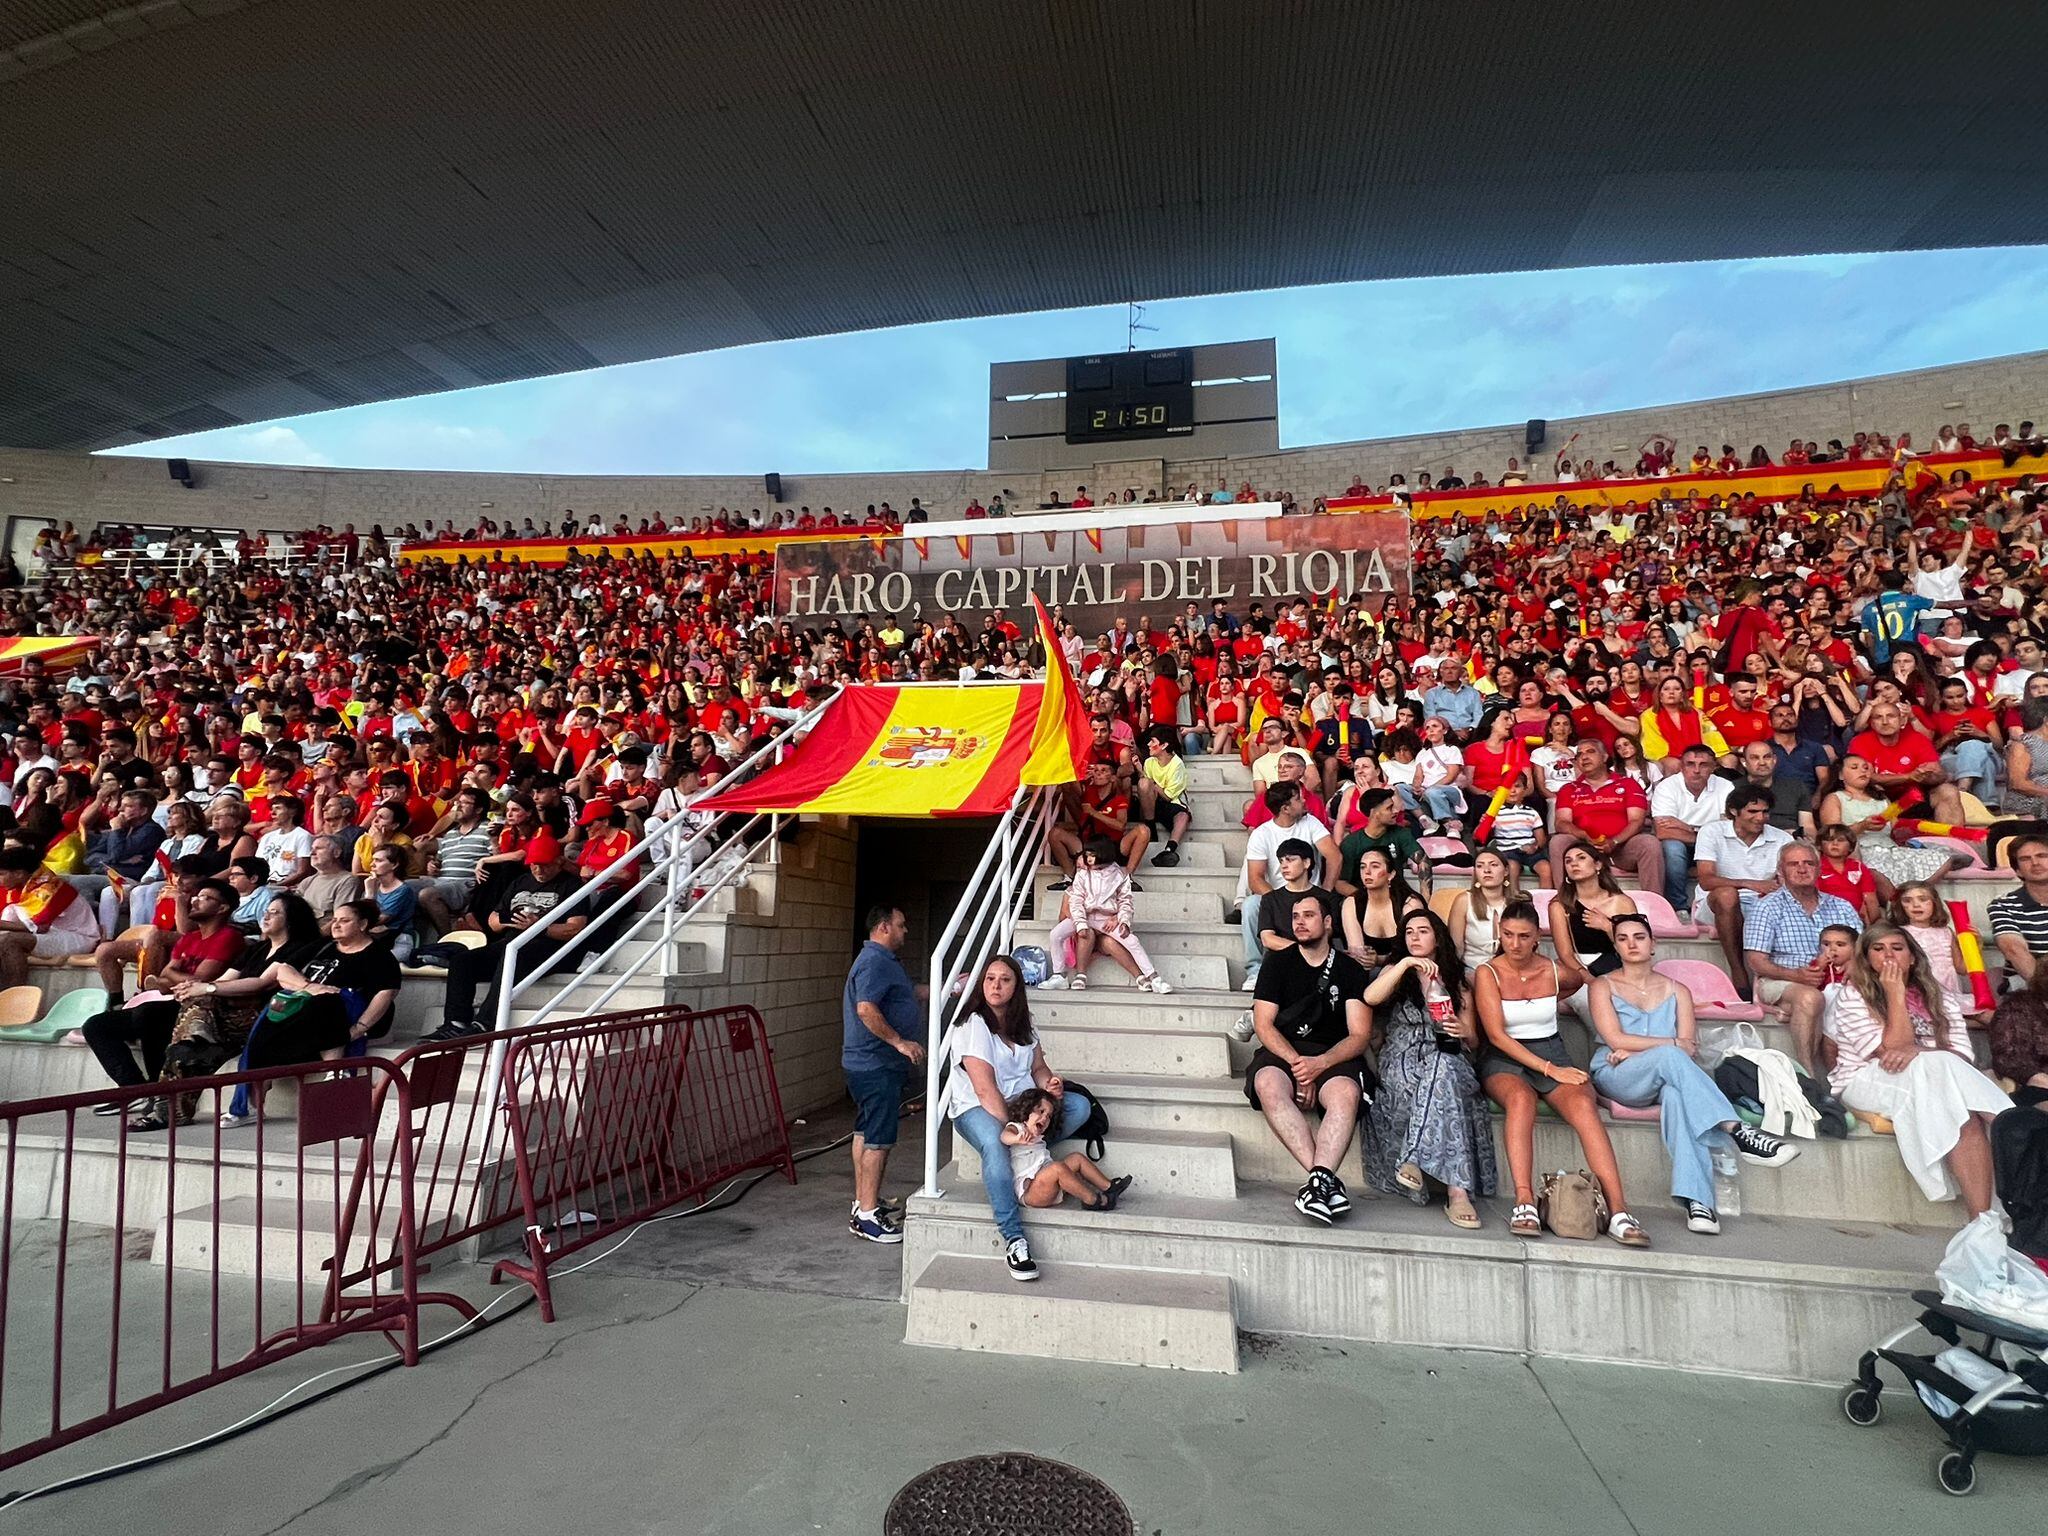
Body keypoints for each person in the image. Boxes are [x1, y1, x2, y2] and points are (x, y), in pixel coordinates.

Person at [1588, 915, 1797, 1234]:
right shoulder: (1603, 985)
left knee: (1678, 1098)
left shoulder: (1678, 991)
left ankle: (1699, 1203)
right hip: (1617, 1074)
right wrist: (1664, 1046)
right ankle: (1736, 1129)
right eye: (1623, 938)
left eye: (1639, 937)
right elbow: (1617, 1040)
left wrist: (1644, 1049)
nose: (1632, 943)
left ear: (1653, 943)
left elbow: (1689, 1049)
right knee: (1670, 1056)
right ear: (1615, 946)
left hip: (1664, 1078)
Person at [1473, 901, 1649, 1246]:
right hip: (1504, 1057)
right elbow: (1496, 1036)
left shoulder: (1554, 971)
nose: (1515, 943)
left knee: (1585, 1106)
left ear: (1537, 937)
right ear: (1500, 933)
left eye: (1524, 936)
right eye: (1508, 935)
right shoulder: (1487, 972)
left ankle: (1618, 1211)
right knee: (1521, 1100)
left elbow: (1584, 981)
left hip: (1551, 1049)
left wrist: (1554, 1064)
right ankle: (1524, 1201)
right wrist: (1551, 1070)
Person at [1824, 924, 2013, 1216]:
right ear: (1867, 958)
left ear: (1912, 957)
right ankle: (2009, 1123)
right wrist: (1895, 993)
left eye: (1897, 948)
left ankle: (1982, 1223)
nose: (1888, 955)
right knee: (1937, 1063)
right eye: (1878, 949)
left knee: (1964, 1116)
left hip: (1936, 1077)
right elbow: (1892, 1053)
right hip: (1865, 1079)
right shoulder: (1852, 996)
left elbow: (1962, 1054)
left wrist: (1920, 1051)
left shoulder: (1939, 994)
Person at [943, 954, 1098, 1282]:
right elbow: (985, 1091)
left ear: (1017, 987)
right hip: (978, 1108)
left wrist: (1049, 1085)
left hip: (1026, 1105)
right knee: (995, 1146)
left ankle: (1027, 1154)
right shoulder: (974, 1025)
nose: (996, 985)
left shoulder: (1025, 1021)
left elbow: (1038, 1069)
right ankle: (1014, 1239)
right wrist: (1015, 1128)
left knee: (1080, 1108)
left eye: (1004, 980)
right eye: (989, 979)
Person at [196, 897, 403, 1128]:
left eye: (344, 921)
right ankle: (249, 1107)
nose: (336, 925)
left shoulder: (378, 955)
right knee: (264, 1030)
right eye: (334, 919)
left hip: (349, 1013)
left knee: (328, 1000)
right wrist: (309, 987)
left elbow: (385, 994)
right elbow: (282, 971)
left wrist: (359, 1028)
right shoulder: (322, 946)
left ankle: (335, 1071)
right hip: (305, 1008)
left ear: (363, 924)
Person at [1360, 909, 1496, 1228]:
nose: (1415, 937)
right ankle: (1458, 1193)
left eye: (1422, 931)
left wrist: (1464, 1032)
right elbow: (1370, 996)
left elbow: (1473, 1040)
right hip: (1402, 1055)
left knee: (1443, 1063)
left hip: (1449, 1052)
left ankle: (1413, 1159)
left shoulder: (1458, 979)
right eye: (1409, 932)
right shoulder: (1397, 970)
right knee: (1437, 1076)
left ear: (1437, 937)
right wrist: (1405, 964)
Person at [1247, 891, 1374, 1225]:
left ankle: (1318, 1182)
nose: (1299, 922)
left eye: (1308, 915)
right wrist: (1299, 1067)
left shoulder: (1349, 969)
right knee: (1267, 1083)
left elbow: (1359, 1035)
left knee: (1346, 1093)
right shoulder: (1278, 962)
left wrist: (1321, 1064)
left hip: (1334, 1054)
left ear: (1328, 922)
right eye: (1295, 917)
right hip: (1285, 1050)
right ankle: (1323, 1180)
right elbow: (1263, 1024)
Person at [78, 879, 243, 1104]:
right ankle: (135, 1089)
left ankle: (159, 1089)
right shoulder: (190, 938)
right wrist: (172, 978)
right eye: (196, 896)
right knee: (96, 1025)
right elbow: (167, 973)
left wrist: (171, 978)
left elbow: (200, 979)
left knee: (149, 1014)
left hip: (200, 1007)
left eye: (205, 898)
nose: (194, 901)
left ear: (223, 908)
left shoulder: (228, 936)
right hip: (171, 1000)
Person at [423, 831, 590, 1040]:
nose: (538, 869)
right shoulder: (521, 881)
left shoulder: (571, 885)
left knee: (511, 955)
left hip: (547, 945)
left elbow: (576, 927)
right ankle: (455, 1022)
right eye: (534, 864)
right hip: (510, 939)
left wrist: (540, 927)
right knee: (462, 960)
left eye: (545, 864)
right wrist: (505, 922)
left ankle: (486, 1022)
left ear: (558, 862)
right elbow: (493, 920)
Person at [840, 904, 926, 1244]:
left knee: (865, 1132)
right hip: (875, 1065)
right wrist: (900, 1042)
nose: (906, 932)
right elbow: (866, 1009)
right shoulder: (875, 961)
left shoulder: (883, 962)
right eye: (901, 926)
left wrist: (949, 986)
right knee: (879, 1139)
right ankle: (866, 1217)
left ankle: (865, 1202)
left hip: (867, 1064)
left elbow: (907, 995)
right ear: (884, 927)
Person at [1743, 843, 1864, 1074]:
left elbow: (1862, 948)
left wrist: (1855, 962)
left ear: (1819, 869)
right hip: (1780, 979)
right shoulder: (1767, 907)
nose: (1801, 869)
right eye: (1793, 864)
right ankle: (1808, 1076)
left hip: (1838, 978)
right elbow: (1756, 962)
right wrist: (1796, 975)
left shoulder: (1841, 906)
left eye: (1808, 863)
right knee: (1811, 998)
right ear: (1781, 870)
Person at [1692, 785, 1795, 983]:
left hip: (1763, 904)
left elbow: (1787, 882)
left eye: (1765, 812)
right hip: (1716, 906)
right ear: (1733, 811)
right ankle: (1739, 973)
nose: (1760, 818)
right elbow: (1706, 880)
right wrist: (1750, 884)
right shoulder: (1712, 831)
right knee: (1727, 895)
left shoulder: (1782, 838)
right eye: (1753, 811)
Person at [1045, 838, 1170, 993]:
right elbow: (1076, 900)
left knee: (1132, 941)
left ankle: (1154, 978)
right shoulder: (1083, 874)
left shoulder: (1119, 875)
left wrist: (1123, 921)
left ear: (1103, 855)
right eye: (1087, 855)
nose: (1088, 859)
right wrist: (1081, 923)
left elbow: (1126, 901)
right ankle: (1059, 975)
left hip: (1107, 919)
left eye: (1092, 855)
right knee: (1055, 934)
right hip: (1085, 916)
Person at [1548, 739, 1665, 897]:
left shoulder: (1628, 784)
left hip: (1622, 848)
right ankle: (1565, 902)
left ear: (1604, 757)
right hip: (1584, 848)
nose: (1584, 757)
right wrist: (1584, 836)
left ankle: (1654, 904)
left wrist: (1615, 841)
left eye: (1590, 752)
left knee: (1649, 843)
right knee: (1558, 841)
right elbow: (1561, 822)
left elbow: (1637, 821)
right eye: (1579, 754)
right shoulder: (1569, 789)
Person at [1002, 1088, 1128, 1211]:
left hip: (1047, 1183)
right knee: (1057, 1168)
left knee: (1076, 1158)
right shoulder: (1018, 1128)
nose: (1045, 1118)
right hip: (1031, 1193)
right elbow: (1004, 1136)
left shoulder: (1039, 1137)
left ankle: (1109, 1187)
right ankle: (1092, 1200)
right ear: (1027, 1109)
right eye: (1041, 1111)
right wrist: (1017, 1138)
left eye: (1049, 1116)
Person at [1243, 836, 1337, 994]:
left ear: (1307, 863)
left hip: (1319, 962)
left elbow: (1331, 933)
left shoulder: (1326, 898)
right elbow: (1267, 939)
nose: (1284, 866)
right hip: (1281, 962)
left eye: (1290, 860)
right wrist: (1302, 949)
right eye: (1281, 861)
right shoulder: (1270, 899)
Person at [0, 843, 103, 988]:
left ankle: (14, 993)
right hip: (53, 933)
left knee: (8, 941)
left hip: (78, 937)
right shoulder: (22, 887)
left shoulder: (50, 887)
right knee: (9, 917)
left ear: (18, 874)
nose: (0, 879)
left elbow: (38, 927)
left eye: (1, 874)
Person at [1649, 745, 1730, 909]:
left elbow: (1726, 830)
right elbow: (1663, 831)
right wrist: (1705, 832)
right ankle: (1678, 907)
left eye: (1704, 765)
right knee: (1672, 847)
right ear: (1681, 766)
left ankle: (1715, 906)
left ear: (1714, 767)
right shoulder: (1667, 787)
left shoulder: (1726, 787)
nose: (1697, 770)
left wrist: (1687, 827)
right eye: (1690, 764)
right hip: (1682, 845)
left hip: (1714, 847)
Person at [1447, 847, 1521, 975]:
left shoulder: (1517, 904)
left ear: (1506, 871)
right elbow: (1456, 948)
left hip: (1510, 971)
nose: (1487, 870)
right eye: (1480, 866)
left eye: (1493, 865)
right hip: (1472, 970)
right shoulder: (1464, 901)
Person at [1989, 833, 2048, 986]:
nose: (2035, 863)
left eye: (2041, 855)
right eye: (2025, 859)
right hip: (2027, 990)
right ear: (2018, 871)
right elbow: (2014, 950)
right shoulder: (2002, 905)